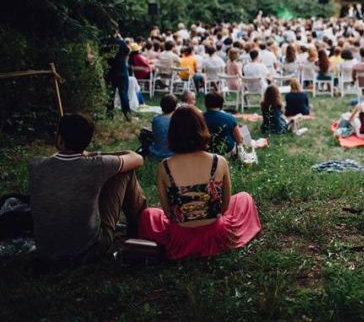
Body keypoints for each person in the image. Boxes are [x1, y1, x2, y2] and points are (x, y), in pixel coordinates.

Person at [138, 106, 261, 259]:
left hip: (180, 237)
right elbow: (225, 207)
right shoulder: (219, 161)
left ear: (173, 133)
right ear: (202, 128)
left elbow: (169, 214)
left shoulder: (164, 167)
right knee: (244, 198)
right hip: (216, 232)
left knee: (148, 214)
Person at [29, 113, 146, 260]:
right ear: (88, 140)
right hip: (88, 249)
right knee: (124, 172)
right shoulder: (97, 165)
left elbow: (57, 162)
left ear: (59, 138)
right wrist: (95, 154)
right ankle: (138, 227)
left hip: (46, 249)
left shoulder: (35, 165)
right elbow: (137, 158)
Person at [103, 31, 132, 121]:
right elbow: (128, 51)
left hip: (110, 71)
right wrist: (121, 38)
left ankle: (109, 115)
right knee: (123, 94)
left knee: (110, 94)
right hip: (121, 71)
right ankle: (127, 115)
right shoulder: (121, 42)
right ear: (116, 32)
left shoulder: (104, 42)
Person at [150, 94, 178, 159]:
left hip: (156, 152)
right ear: (175, 107)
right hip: (173, 154)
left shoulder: (156, 119)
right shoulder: (178, 120)